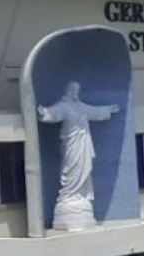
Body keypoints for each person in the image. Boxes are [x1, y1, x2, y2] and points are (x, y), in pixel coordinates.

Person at [37, 81, 120, 229]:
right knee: (70, 170)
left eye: (77, 89)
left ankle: (79, 196)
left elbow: (94, 112)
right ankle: (68, 196)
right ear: (67, 90)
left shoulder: (80, 106)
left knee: (84, 169)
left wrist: (108, 109)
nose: (76, 91)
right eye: (73, 89)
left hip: (83, 143)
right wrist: (44, 112)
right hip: (71, 143)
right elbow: (54, 113)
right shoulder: (64, 105)